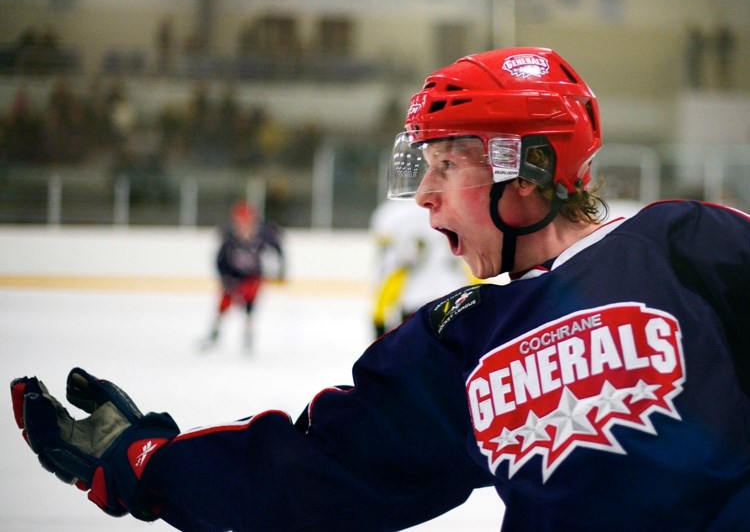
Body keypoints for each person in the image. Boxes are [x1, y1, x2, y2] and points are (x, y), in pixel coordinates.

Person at [9, 47, 750, 531]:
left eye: (445, 167)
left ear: (527, 171)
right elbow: (321, 471)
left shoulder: (686, 244)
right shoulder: (461, 339)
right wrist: (151, 463)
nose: (423, 197)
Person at [370, 198, 473, 337]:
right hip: (451, 298)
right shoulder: (454, 206)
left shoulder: (391, 213)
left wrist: (379, 321)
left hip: (412, 301)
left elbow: (392, 269)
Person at [200, 200, 285, 351]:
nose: (244, 226)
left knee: (250, 302)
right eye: (241, 222)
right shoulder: (229, 238)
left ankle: (248, 332)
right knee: (224, 302)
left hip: (252, 276)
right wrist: (224, 277)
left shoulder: (263, 235)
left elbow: (277, 249)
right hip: (233, 275)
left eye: (247, 221)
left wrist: (281, 268)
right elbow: (220, 260)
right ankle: (216, 330)